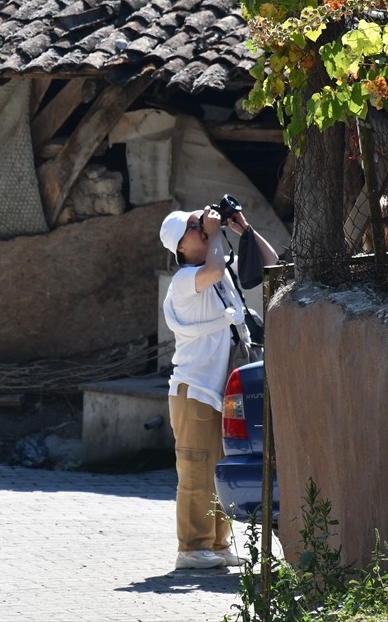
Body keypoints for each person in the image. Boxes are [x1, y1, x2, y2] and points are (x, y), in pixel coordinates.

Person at [158, 204, 278, 570]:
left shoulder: (218, 270)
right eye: (195, 226)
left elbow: (271, 263)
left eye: (202, 223)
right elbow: (211, 269)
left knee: (220, 466)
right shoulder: (184, 280)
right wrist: (213, 234)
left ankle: (217, 542)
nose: (203, 227)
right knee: (196, 469)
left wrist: (244, 230)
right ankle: (191, 548)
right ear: (180, 246)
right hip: (193, 390)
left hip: (223, 392)